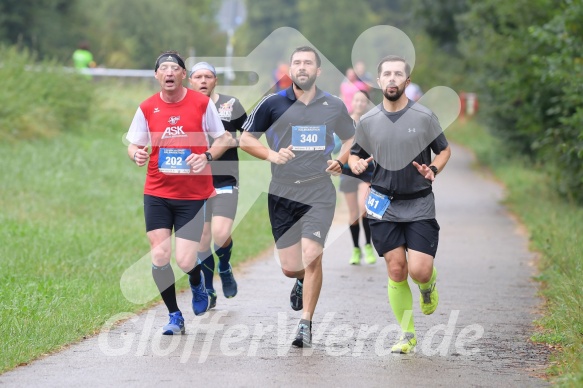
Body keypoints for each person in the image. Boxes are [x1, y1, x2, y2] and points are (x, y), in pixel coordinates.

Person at [239, 46, 355, 348]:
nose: (302, 67)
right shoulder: (272, 103)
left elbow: (352, 137)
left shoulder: (333, 104)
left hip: (318, 189)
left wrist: (341, 160)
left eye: (308, 63)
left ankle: (306, 323)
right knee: (291, 267)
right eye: (297, 63)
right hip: (282, 192)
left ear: (318, 71)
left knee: (312, 255)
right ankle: (300, 280)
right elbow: (245, 139)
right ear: (290, 70)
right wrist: (271, 155)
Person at [126, 51, 235, 335]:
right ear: (157, 76)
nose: (169, 72)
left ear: (183, 75)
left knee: (186, 260)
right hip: (158, 192)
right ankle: (175, 315)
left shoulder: (201, 103)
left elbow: (223, 138)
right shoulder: (147, 108)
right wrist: (136, 153)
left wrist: (207, 157)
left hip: (193, 195)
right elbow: (133, 144)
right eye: (164, 68)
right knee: (160, 255)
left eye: (175, 68)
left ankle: (197, 283)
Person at [348, 55, 451, 354]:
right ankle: (407, 335)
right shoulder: (367, 121)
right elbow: (355, 154)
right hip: (382, 203)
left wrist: (435, 169)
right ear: (378, 81)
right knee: (396, 269)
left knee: (419, 270)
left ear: (407, 82)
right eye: (386, 74)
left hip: (418, 202)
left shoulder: (424, 117)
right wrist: (354, 164)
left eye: (398, 74)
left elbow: (443, 151)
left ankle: (427, 285)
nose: (392, 79)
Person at [188, 62, 247, 309]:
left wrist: (228, 141)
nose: (203, 81)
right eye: (198, 76)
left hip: (224, 178)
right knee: (202, 239)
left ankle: (224, 267)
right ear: (189, 80)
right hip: (195, 181)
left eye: (208, 76)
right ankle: (209, 289)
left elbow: (250, 136)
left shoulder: (230, 105)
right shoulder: (184, 107)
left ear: (216, 80)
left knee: (221, 235)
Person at [338, 90, 376, 265]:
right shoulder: (344, 123)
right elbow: (336, 145)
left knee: (364, 208)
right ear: (352, 102)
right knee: (353, 213)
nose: (360, 103)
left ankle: (368, 245)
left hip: (367, 171)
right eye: (357, 100)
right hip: (347, 171)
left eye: (363, 101)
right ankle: (355, 249)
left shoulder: (371, 123)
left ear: (367, 103)